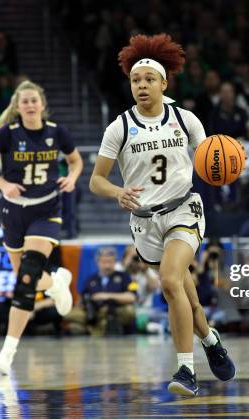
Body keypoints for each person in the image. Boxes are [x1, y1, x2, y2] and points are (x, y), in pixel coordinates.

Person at [89, 33, 235, 396]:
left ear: (163, 83)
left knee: (170, 281)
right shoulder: (119, 127)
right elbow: (95, 181)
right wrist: (117, 191)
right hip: (145, 222)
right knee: (188, 298)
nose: (141, 85)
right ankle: (210, 339)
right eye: (136, 80)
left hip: (184, 209)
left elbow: (212, 159)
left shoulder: (185, 119)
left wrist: (231, 159)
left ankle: (186, 370)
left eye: (148, 79)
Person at [0, 79, 83, 375]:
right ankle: (57, 283)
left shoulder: (56, 132)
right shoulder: (6, 134)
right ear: (18, 106)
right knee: (28, 279)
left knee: (25, 280)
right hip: (13, 212)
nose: (31, 105)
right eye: (25, 101)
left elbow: (75, 161)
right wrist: (3, 184)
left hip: (46, 209)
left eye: (34, 100)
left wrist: (72, 177)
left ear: (42, 104)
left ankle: (6, 355)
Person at [65, 247, 138, 336]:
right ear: (98, 262)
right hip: (94, 312)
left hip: (115, 311)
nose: (107, 265)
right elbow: (82, 299)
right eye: (104, 262)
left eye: (110, 262)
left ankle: (97, 327)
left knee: (129, 311)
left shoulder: (124, 277)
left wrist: (106, 296)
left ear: (115, 262)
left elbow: (132, 297)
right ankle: (98, 326)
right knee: (67, 314)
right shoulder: (91, 280)